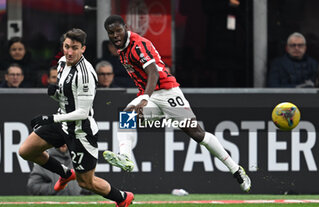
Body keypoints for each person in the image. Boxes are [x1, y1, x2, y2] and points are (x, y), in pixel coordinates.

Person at [101, 15, 251, 192]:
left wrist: (144, 98)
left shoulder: (138, 44)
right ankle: (125, 156)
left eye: (119, 30)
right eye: (111, 33)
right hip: (150, 95)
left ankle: (236, 169)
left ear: (125, 28)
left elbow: (153, 74)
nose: (116, 35)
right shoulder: (121, 49)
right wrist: (145, 97)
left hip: (166, 92)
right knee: (127, 116)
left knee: (197, 134)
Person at [18, 28, 134, 207]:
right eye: (66, 46)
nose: (69, 52)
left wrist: (50, 118)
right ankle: (65, 173)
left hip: (81, 131)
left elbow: (82, 112)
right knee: (26, 150)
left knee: (86, 182)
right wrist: (56, 94)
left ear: (83, 49)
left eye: (74, 48)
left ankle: (122, 197)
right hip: (63, 122)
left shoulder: (86, 74)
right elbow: (68, 98)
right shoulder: (62, 62)